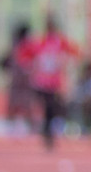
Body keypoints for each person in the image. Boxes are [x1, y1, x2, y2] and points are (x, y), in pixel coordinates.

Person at [16, 16, 81, 150]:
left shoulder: (58, 43)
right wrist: (29, 66)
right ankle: (46, 131)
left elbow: (76, 53)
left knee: (51, 109)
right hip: (42, 81)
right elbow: (24, 54)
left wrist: (66, 63)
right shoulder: (41, 43)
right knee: (46, 108)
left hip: (53, 83)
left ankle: (48, 132)